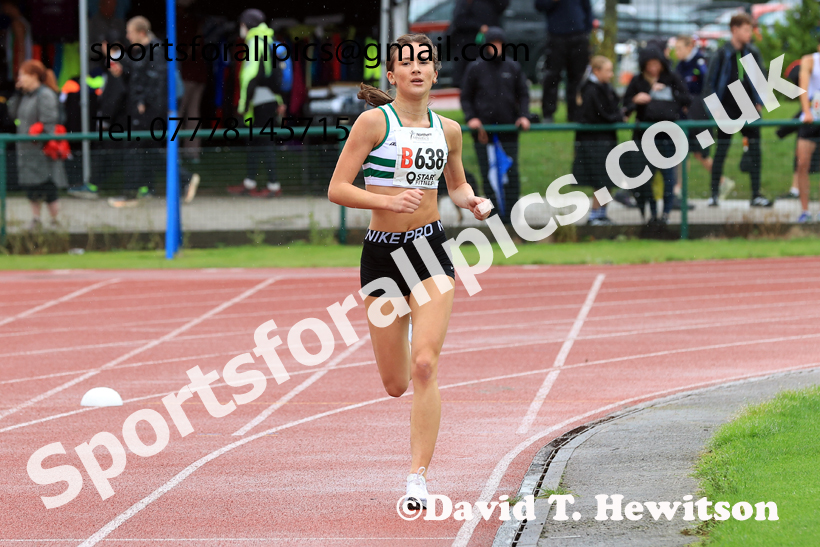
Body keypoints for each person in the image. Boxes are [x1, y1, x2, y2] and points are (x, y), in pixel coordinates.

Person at [327, 33, 491, 510]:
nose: (416, 68)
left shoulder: (450, 130)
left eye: (425, 61)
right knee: (395, 382)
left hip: (430, 249)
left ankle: (417, 477)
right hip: (380, 257)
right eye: (406, 62)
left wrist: (473, 202)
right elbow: (337, 188)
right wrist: (386, 200)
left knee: (424, 364)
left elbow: (456, 186)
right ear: (393, 74)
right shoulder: (373, 123)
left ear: (436, 73)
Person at [109, 16, 199, 207]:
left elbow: (156, 80)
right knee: (147, 150)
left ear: (141, 32)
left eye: (130, 31)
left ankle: (132, 193)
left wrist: (143, 102)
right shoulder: (145, 51)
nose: (127, 35)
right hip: (145, 109)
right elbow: (138, 75)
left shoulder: (155, 51)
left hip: (148, 110)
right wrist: (122, 70)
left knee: (136, 148)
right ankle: (182, 179)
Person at [460, 26, 530, 225]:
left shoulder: (512, 67)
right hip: (484, 134)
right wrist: (471, 117)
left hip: (508, 132)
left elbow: (523, 94)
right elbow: (466, 97)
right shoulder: (475, 68)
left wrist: (524, 116)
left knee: (511, 173)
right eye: (493, 44)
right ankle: (495, 217)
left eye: (499, 44)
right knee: (488, 174)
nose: (496, 48)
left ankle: (512, 217)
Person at [704, 13, 773, 208]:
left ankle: (756, 194)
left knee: (755, 150)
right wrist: (715, 109)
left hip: (748, 106)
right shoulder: (721, 53)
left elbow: (760, 78)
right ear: (734, 30)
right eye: (746, 29)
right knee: (721, 150)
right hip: (727, 107)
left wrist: (759, 102)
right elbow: (710, 84)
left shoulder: (752, 52)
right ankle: (714, 194)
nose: (749, 34)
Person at [623, 45, 691, 225]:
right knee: (645, 178)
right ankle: (651, 214)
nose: (653, 69)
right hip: (645, 137)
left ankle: (666, 215)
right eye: (649, 65)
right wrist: (636, 100)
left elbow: (686, 99)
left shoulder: (672, 78)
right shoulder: (638, 81)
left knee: (669, 178)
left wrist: (667, 93)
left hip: (667, 137)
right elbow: (625, 104)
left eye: (656, 64)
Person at [228, 9, 285, 198]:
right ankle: (250, 182)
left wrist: (243, 105)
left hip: (258, 102)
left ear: (247, 25)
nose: (240, 28)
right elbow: (274, 74)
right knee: (255, 141)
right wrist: (279, 100)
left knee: (263, 142)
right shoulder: (268, 39)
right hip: (268, 100)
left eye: (242, 24)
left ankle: (273, 185)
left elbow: (250, 76)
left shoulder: (254, 42)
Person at [7, 60, 67, 230]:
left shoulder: (45, 95)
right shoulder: (26, 96)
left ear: (33, 76)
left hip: (41, 151)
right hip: (26, 151)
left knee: (48, 187)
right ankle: (36, 219)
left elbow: (49, 122)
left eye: (22, 75)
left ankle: (56, 222)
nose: (20, 78)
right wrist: (18, 93)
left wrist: (40, 137)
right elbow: (12, 114)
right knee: (31, 187)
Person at [674, 34, 732, 208]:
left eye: (679, 48)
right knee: (685, 152)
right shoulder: (679, 67)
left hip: (702, 118)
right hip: (686, 118)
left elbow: (709, 88)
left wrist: (713, 113)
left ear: (689, 46)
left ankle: (721, 182)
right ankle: (679, 190)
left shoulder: (701, 63)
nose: (677, 52)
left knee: (702, 153)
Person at [573, 55, 623, 225]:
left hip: (604, 141)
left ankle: (602, 213)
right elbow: (602, 114)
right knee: (601, 180)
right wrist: (618, 116)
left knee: (607, 179)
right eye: (608, 70)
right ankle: (595, 215)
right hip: (595, 142)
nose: (611, 74)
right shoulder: (591, 90)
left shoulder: (604, 88)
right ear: (597, 71)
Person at [535, 0, 592, 123]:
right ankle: (548, 114)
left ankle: (574, 114)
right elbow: (539, 5)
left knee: (577, 78)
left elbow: (587, 8)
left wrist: (586, 30)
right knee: (552, 76)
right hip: (556, 36)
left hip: (578, 35)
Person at [448, 0, 509, 89]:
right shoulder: (465, 3)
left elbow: (503, 6)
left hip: (487, 47)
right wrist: (479, 26)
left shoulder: (492, 4)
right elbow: (459, 20)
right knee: (467, 82)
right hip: (468, 47)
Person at [794, 38, 820, 223]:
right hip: (811, 119)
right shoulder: (810, 61)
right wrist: (806, 111)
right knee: (802, 163)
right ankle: (805, 210)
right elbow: (803, 87)